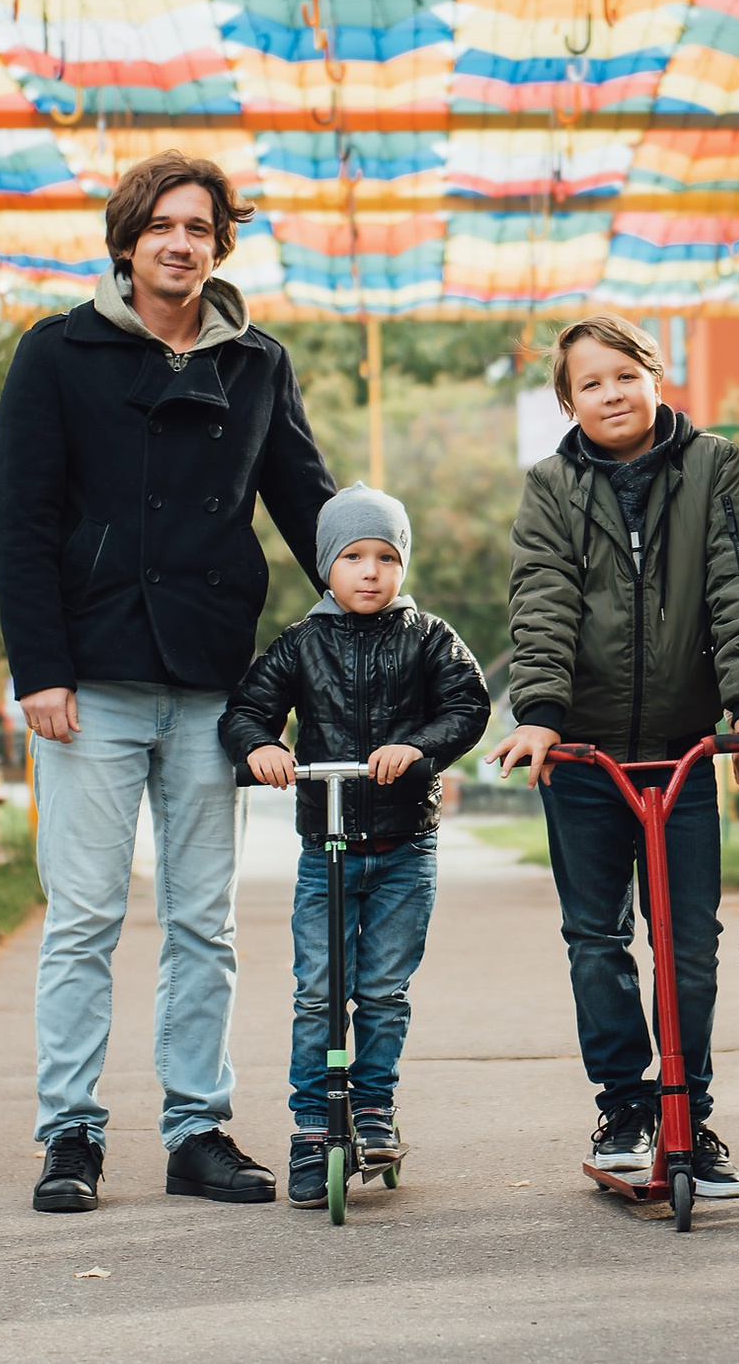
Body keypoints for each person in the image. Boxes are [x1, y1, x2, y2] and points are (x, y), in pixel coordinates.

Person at [0, 149, 336, 1214]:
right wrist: (39, 667)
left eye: (200, 226)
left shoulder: (256, 361)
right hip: (88, 678)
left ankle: (197, 1128)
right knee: (85, 916)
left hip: (207, 679)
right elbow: (20, 518)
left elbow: (308, 503)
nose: (180, 242)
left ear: (219, 244)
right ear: (128, 239)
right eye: (162, 226)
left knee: (206, 921)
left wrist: (373, 596)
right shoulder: (56, 351)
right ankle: (70, 1135)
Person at [492, 315, 739, 1201]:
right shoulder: (550, 486)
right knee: (597, 937)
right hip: (583, 755)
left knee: (687, 940)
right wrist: (542, 714)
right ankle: (626, 1106)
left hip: (680, 751)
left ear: (657, 377)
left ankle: (687, 1110)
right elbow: (542, 597)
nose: (613, 393)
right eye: (592, 383)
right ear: (569, 400)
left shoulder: (712, 469)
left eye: (627, 374)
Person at [219, 485, 492, 1208]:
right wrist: (263, 747)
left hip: (406, 846)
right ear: (325, 567)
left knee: (380, 990)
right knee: (317, 992)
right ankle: (313, 1128)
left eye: (386, 557)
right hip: (327, 846)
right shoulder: (301, 642)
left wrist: (418, 746)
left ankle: (372, 1108)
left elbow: (469, 705)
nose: (370, 571)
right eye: (353, 557)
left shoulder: (428, 636)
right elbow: (247, 709)